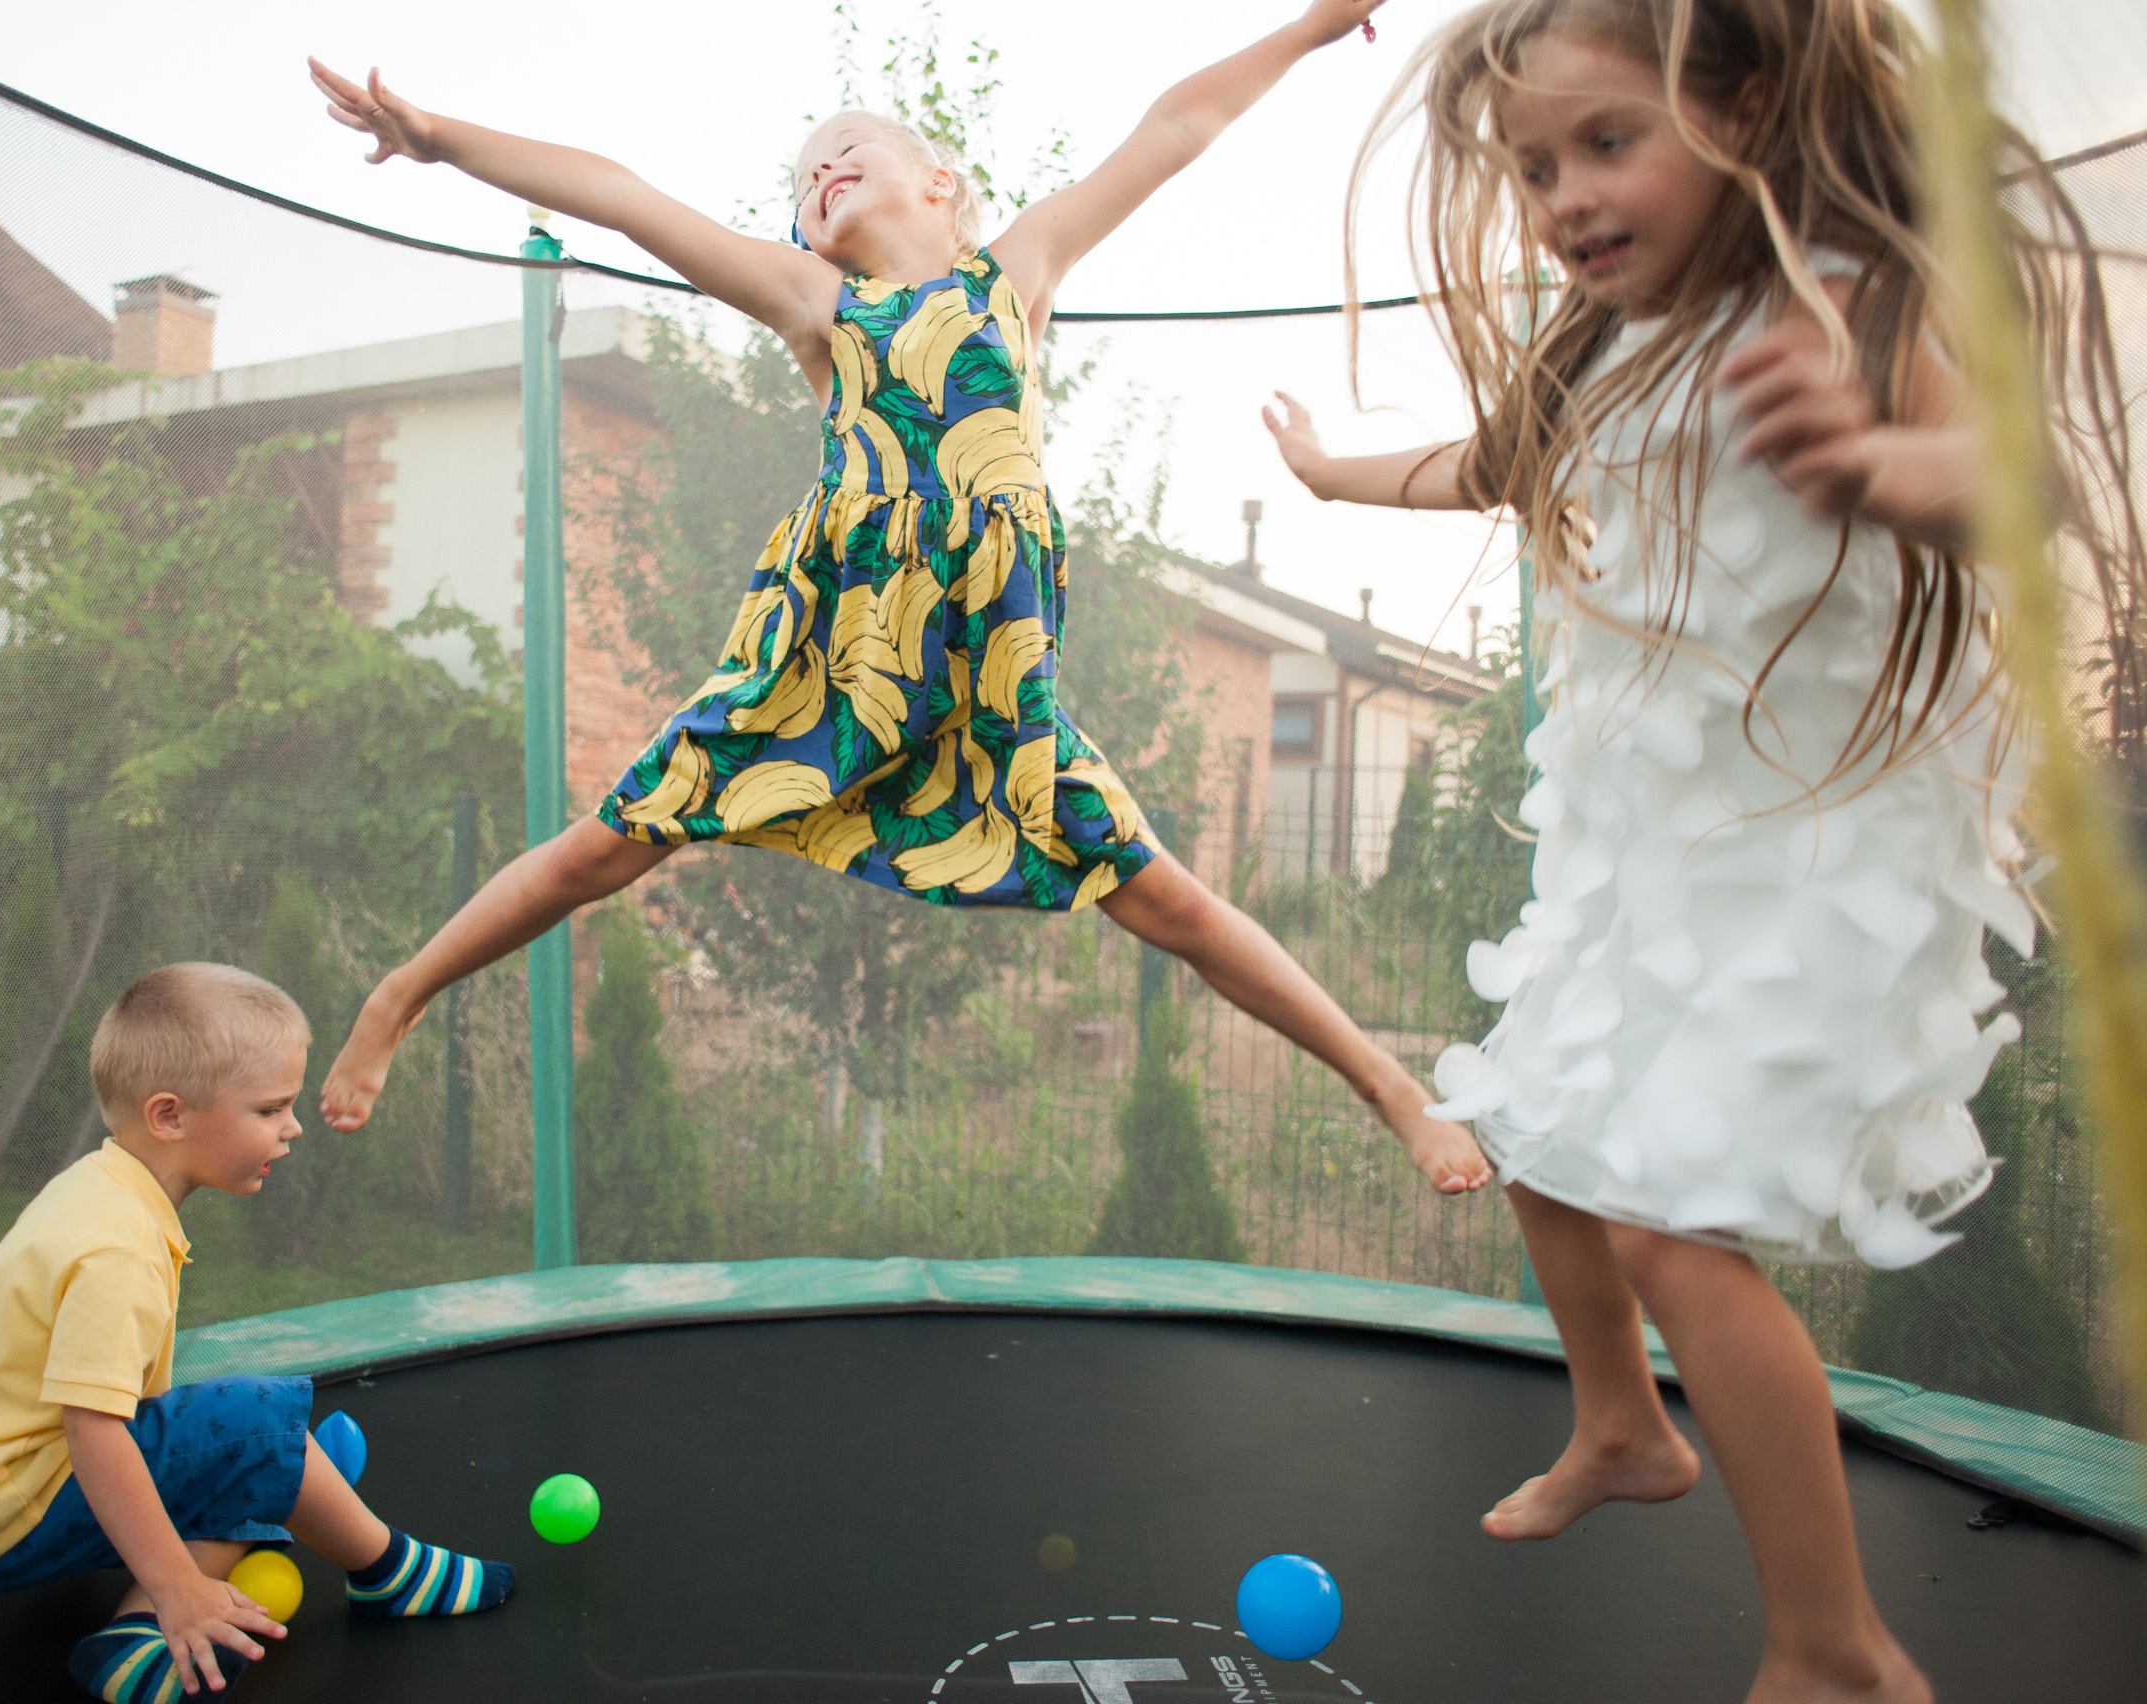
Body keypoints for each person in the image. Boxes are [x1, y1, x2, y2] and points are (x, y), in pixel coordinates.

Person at [1264, 2, 2139, 1700]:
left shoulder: (1838, 293)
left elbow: (2011, 479)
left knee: (1670, 1226)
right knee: (1531, 1123)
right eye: (1530, 168)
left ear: (1740, 108)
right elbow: (1494, 466)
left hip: (1813, 860)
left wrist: (1890, 462)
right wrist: (1325, 476)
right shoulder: (1610, 345)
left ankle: (1838, 1646)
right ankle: (1622, 1426)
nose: (1564, 197)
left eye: (1607, 142)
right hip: (1646, 850)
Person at [303, 2, 1495, 1199]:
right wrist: (438, 138)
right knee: (609, 846)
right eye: (803, 177)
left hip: (987, 670)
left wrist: (1314, 24)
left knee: (1166, 899)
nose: (820, 173)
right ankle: (401, 992)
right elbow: (623, 195)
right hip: (835, 653)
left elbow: (1176, 123)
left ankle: (1389, 1088)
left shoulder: (1015, 274)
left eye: (847, 151)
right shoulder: (820, 308)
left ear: (942, 183)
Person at [0, 964, 511, 1703]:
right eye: (269, 1109)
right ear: (169, 1116)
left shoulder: (100, 1185)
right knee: (253, 1427)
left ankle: (134, 1637)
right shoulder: (117, 1249)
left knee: (285, 1455)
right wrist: (180, 1584)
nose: (292, 1127)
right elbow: (93, 1431)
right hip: (2, 1511)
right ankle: (390, 1574)